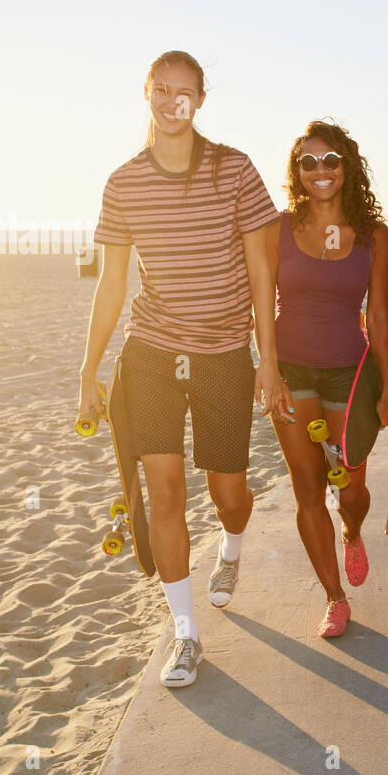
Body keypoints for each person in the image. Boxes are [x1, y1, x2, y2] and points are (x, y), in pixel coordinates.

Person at [78, 50, 281, 688]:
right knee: (164, 491)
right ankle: (186, 634)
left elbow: (262, 273)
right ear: (146, 93)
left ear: (200, 99)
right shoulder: (123, 183)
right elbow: (111, 288)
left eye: (184, 92)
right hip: (153, 353)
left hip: (224, 355)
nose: (173, 102)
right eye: (162, 90)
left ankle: (232, 550)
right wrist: (90, 371)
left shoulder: (236, 170)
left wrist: (267, 361)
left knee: (228, 495)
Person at [264, 121, 388, 638]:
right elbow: (258, 302)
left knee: (352, 485)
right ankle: (334, 597)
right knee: (309, 486)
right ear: (296, 172)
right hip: (291, 368)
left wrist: (383, 388)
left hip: (349, 370)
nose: (320, 170)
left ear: (348, 167)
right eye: (308, 162)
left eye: (331, 160)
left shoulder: (374, 235)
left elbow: (380, 316)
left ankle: (353, 529)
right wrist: (266, 367)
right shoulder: (277, 228)